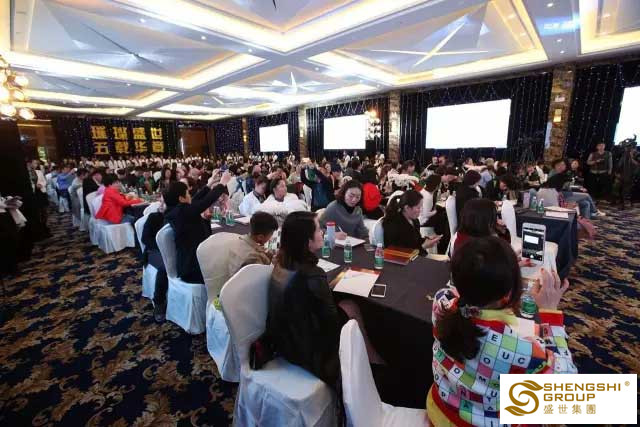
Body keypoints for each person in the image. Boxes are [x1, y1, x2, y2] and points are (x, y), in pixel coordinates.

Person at [427, 236, 576, 427]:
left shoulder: (441, 302)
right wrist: (549, 314)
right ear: (508, 294)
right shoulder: (521, 347)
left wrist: (494, 272)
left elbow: (465, 289)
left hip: (440, 410)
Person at [259, 211, 380, 390]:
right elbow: (331, 324)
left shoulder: (281, 262)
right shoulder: (312, 274)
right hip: (309, 353)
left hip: (283, 342)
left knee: (346, 305)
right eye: (317, 229)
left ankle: (370, 357)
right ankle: (370, 362)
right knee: (352, 307)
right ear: (307, 241)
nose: (322, 232)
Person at [164, 172, 231, 283]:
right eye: (187, 193)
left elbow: (194, 201)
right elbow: (204, 202)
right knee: (226, 266)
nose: (190, 195)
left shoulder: (176, 210)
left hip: (189, 262)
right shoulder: (182, 212)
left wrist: (209, 185)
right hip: (193, 268)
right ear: (181, 199)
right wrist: (222, 183)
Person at [382, 190, 441, 254]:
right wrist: (423, 246)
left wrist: (427, 239)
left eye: (421, 207)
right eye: (418, 208)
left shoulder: (415, 221)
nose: (421, 210)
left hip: (417, 257)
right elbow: (398, 252)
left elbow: (415, 241)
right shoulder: (393, 224)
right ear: (407, 208)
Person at [226, 211, 278, 280]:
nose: (270, 238)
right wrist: (274, 263)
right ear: (260, 237)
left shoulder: (240, 240)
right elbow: (263, 278)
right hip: (247, 284)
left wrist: (268, 254)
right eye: (270, 235)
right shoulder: (252, 258)